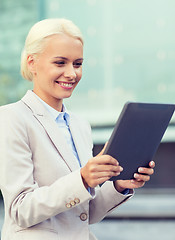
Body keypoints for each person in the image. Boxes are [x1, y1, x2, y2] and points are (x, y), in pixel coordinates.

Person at [0, 18, 155, 240]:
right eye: (60, 63)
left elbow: (84, 213)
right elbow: (20, 210)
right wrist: (82, 179)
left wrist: (120, 185)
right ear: (32, 62)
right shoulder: (11, 118)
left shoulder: (80, 125)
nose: (72, 73)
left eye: (78, 63)